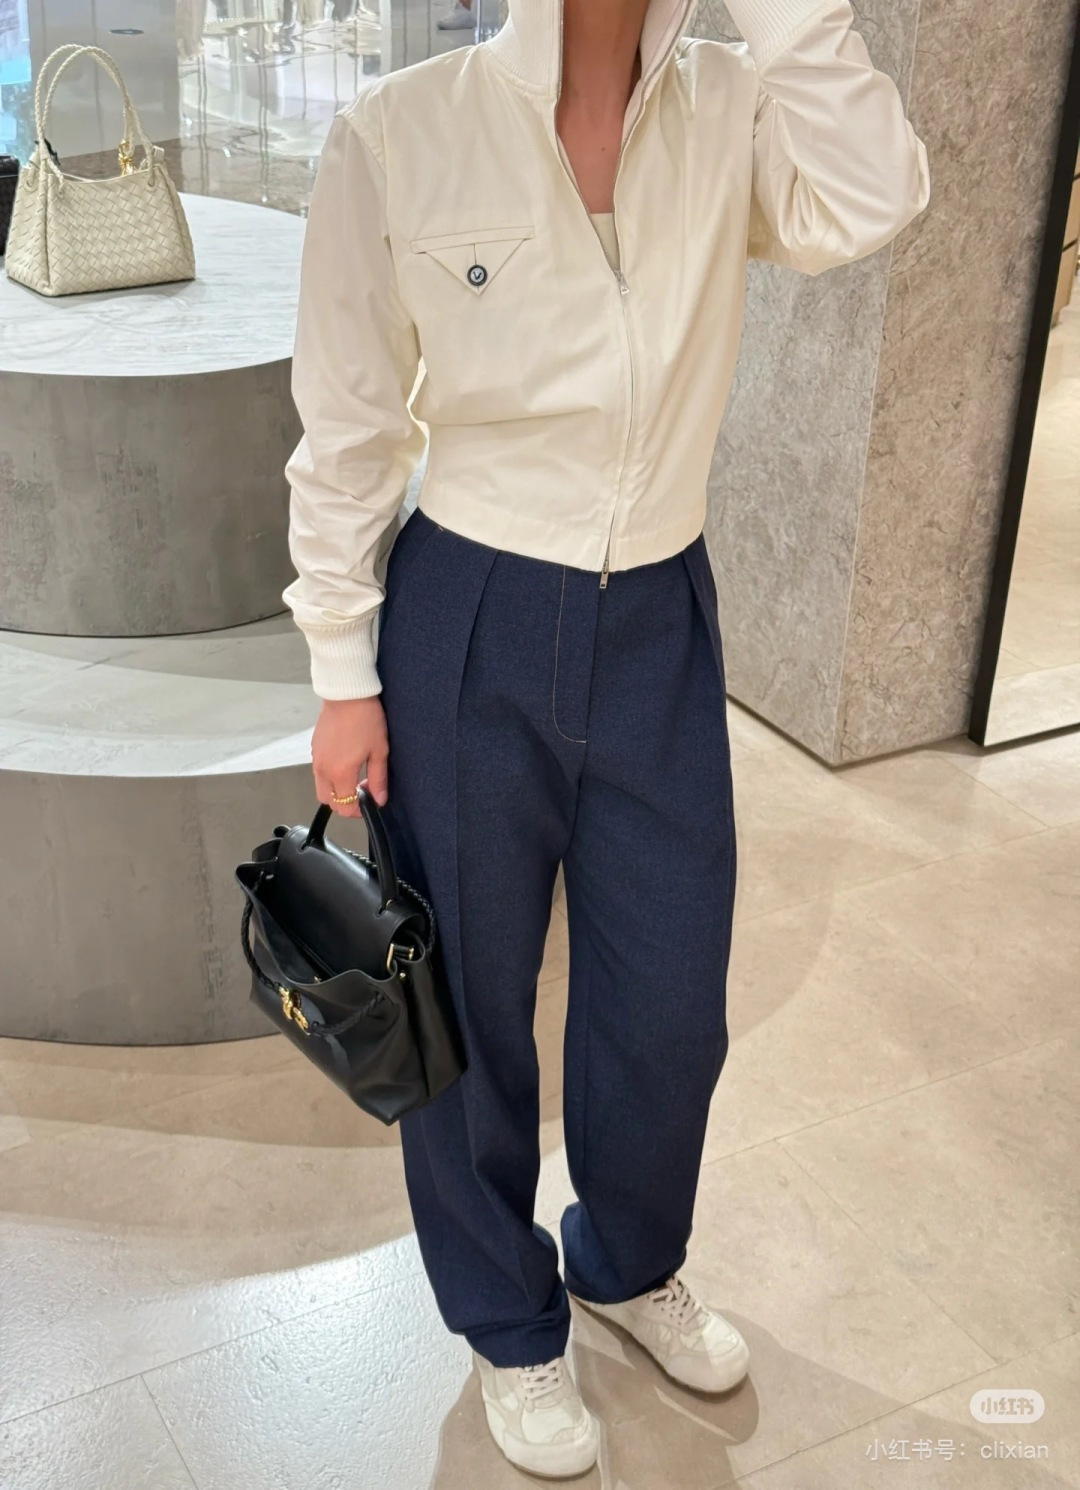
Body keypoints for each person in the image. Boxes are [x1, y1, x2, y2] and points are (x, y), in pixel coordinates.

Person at [282, 0, 930, 1476]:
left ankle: (628, 1263)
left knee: (670, 989)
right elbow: (350, 422)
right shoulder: (402, 130)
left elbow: (878, 193)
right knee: (467, 994)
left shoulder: (729, 105)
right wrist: (340, 669)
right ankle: (507, 1320)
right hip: (469, 608)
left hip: (660, 609)